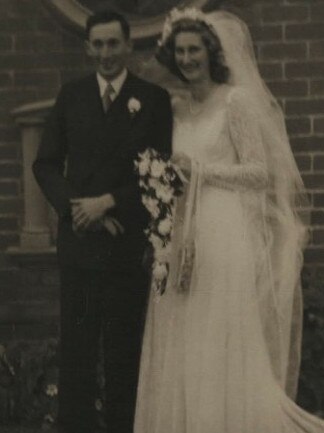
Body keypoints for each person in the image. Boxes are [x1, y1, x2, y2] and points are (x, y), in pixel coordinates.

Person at [134, 8, 324, 433]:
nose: (187, 59)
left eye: (195, 50)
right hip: (183, 229)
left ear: (212, 51)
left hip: (223, 229)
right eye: (180, 51)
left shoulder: (234, 101)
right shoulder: (178, 108)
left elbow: (258, 172)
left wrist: (200, 171)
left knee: (217, 329)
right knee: (183, 329)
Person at [33, 10, 172, 433]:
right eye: (99, 44)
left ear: (128, 46)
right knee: (76, 352)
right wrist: (81, 210)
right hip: (79, 243)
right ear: (87, 47)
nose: (106, 53)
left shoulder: (151, 100)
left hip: (127, 246)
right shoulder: (71, 96)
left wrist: (110, 203)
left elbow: (161, 173)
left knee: (123, 352)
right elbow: (46, 165)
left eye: (114, 44)